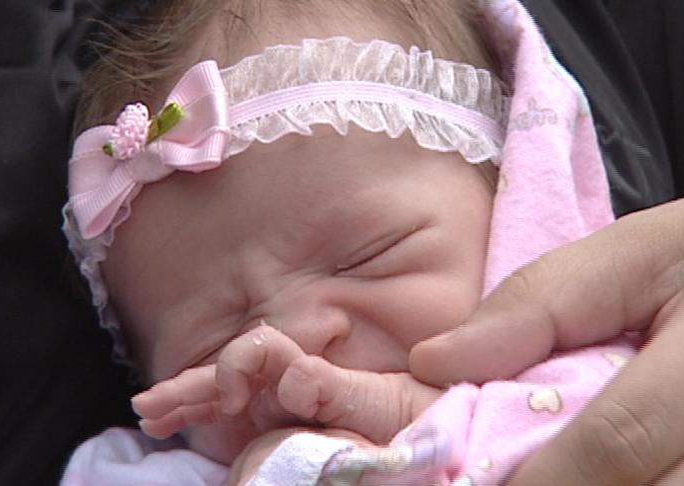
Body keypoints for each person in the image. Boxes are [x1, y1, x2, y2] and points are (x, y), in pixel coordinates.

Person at [59, 0, 646, 484]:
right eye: (212, 341)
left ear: (516, 208)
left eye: (369, 257)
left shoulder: (615, 391)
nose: (291, 341)